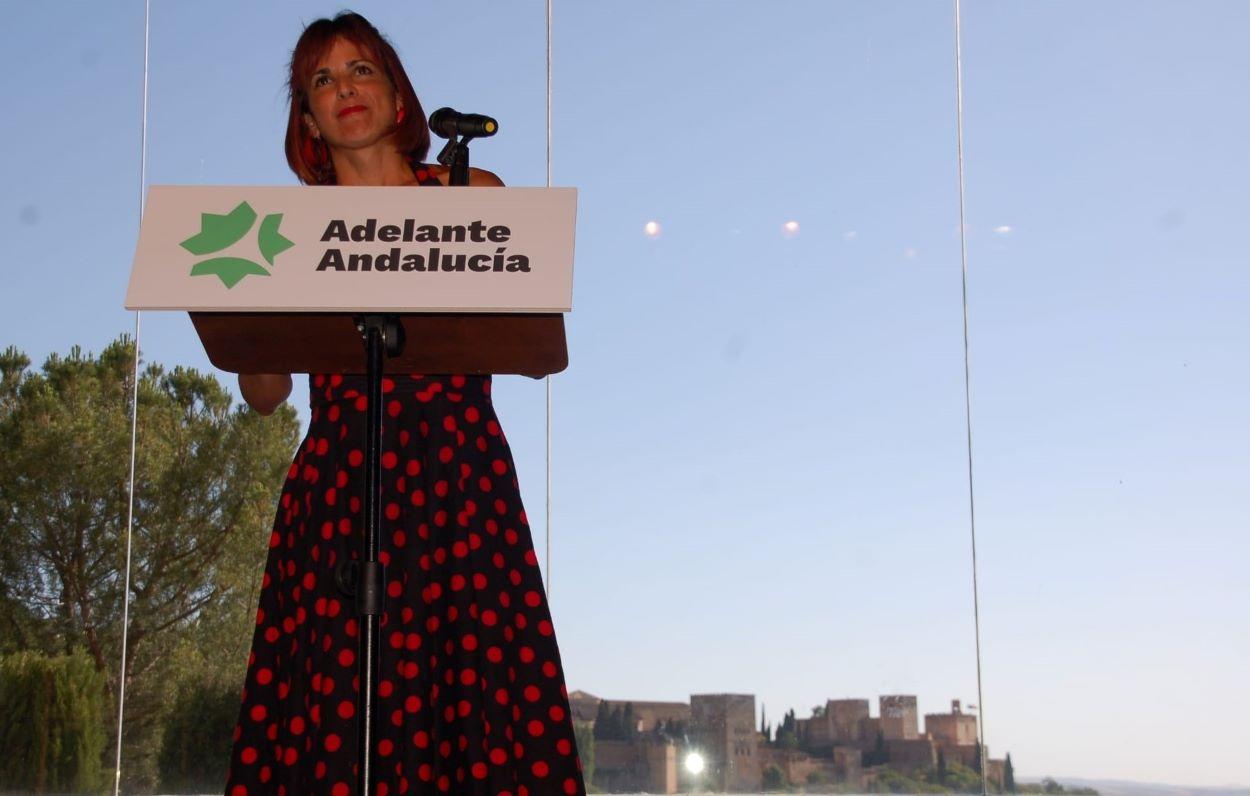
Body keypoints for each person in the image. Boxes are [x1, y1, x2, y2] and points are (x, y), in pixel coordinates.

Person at [224, 12, 586, 796]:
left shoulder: (470, 192)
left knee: (474, 696)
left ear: (396, 99)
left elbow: (526, 343)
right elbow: (265, 395)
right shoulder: (287, 230)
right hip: (340, 486)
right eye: (321, 80)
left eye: (360, 70)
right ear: (309, 122)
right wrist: (232, 317)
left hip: (458, 478)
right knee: (336, 706)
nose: (342, 89)